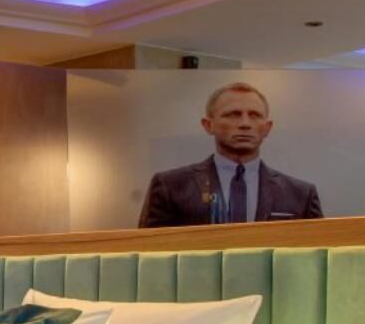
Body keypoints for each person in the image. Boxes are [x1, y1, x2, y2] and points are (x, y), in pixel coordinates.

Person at [138, 82, 322, 228]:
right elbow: (148, 252)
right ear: (208, 125)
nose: (245, 124)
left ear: (267, 128)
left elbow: (317, 253)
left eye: (254, 115)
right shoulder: (171, 186)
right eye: (233, 114)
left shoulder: (300, 194)